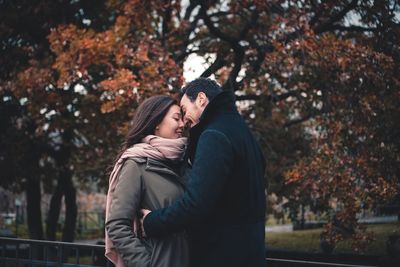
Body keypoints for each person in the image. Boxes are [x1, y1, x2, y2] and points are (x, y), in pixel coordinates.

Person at [141, 78, 266, 267]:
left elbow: (195, 204)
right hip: (252, 253)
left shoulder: (213, 135)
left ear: (201, 99)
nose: (184, 121)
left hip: (222, 256)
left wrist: (150, 222)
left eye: (184, 110)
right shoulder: (243, 132)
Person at [105, 95, 189, 267]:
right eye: (176, 118)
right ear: (156, 122)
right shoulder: (136, 164)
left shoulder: (184, 162)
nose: (182, 125)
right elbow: (117, 224)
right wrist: (146, 264)